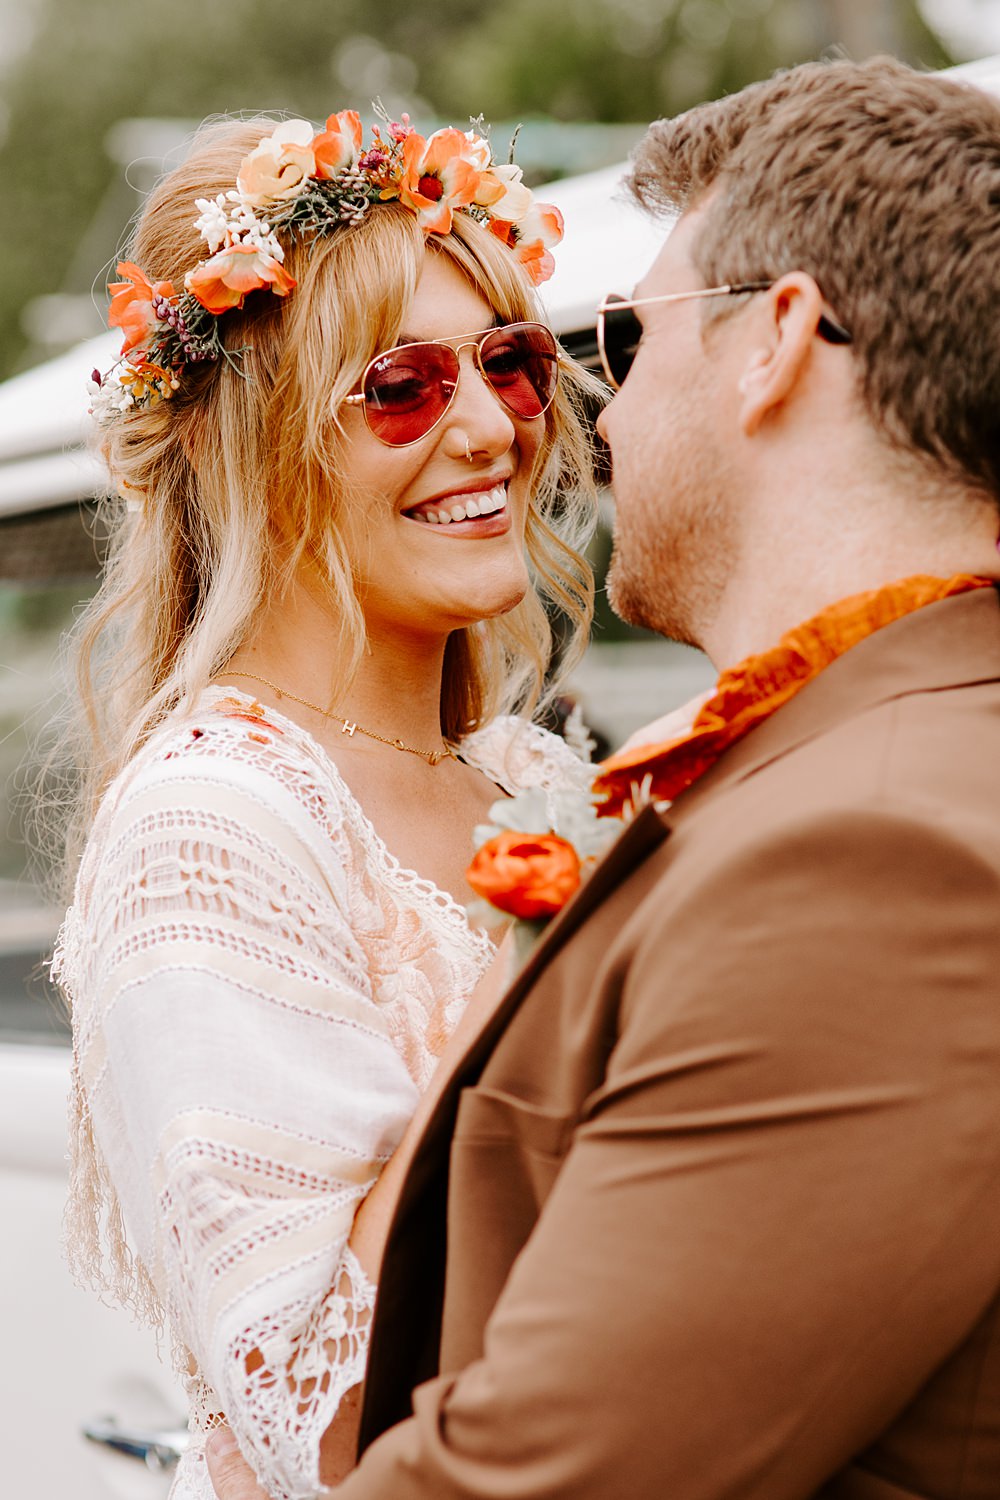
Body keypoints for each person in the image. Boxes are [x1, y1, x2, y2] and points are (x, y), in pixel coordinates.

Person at [202, 56, 1000, 1500]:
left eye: (626, 339)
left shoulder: (879, 860)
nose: (577, 420)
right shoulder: (864, 767)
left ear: (776, 343)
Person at [51, 107, 602, 1500]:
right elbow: (329, 1416)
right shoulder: (217, 823)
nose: (488, 430)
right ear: (256, 443)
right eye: (402, 387)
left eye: (512, 366)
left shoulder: (532, 780)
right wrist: (534, 959)